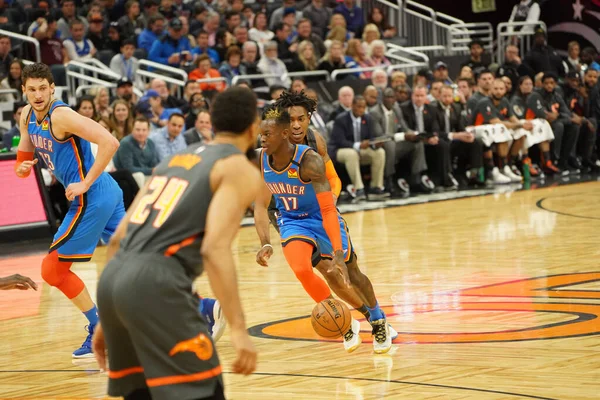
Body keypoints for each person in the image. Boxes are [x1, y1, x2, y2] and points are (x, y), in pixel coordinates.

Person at [92, 87, 260, 400]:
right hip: (156, 283)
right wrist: (238, 328)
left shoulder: (173, 160)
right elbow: (214, 249)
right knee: (205, 391)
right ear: (253, 127)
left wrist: (111, 313)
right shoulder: (238, 168)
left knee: (142, 393)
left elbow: (117, 240)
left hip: (115, 280)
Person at [254, 103, 394, 354]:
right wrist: (264, 241)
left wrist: (338, 247)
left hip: (321, 211)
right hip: (289, 216)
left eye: (301, 119)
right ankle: (343, 319)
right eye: (291, 119)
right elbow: (260, 204)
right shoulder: (261, 156)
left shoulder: (312, 153)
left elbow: (331, 191)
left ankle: (377, 317)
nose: (297, 124)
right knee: (307, 268)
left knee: (348, 270)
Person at [15, 63, 124, 358]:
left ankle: (100, 328)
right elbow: (23, 158)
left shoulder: (61, 115)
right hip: (108, 191)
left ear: (53, 88)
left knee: (52, 270)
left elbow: (110, 141)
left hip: (93, 196)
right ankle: (201, 309)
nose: (38, 95)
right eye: (32, 89)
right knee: (138, 261)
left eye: (43, 88)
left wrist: (86, 183)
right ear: (23, 90)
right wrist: (22, 168)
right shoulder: (27, 116)